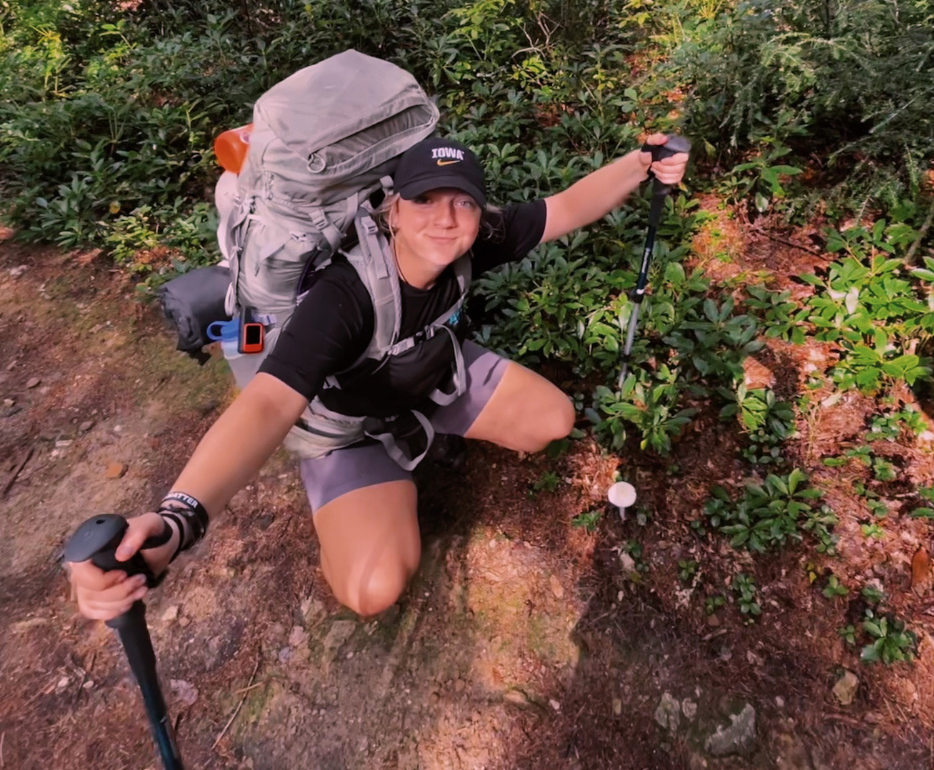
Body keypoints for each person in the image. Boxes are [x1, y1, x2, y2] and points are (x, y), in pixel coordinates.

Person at [69, 134, 688, 621]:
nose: (446, 219)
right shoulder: (342, 298)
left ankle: (420, 436)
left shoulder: (477, 237)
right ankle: (362, 496)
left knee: (552, 419)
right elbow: (266, 407)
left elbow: (566, 207)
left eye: (463, 201)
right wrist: (177, 520)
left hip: (430, 374)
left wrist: (642, 163)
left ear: (479, 210)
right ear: (393, 209)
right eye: (426, 200)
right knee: (371, 589)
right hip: (347, 428)